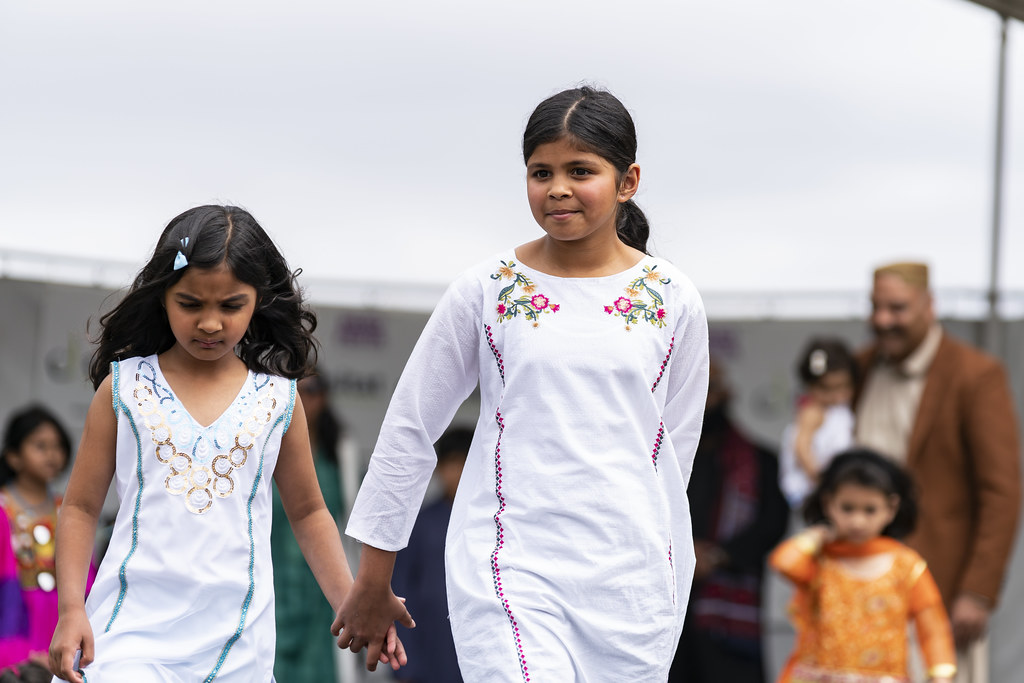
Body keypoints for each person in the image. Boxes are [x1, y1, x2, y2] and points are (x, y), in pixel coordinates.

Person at [334, 86, 710, 680]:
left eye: (579, 170)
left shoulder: (671, 299)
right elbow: (411, 426)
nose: (557, 187)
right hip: (511, 567)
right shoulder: (488, 290)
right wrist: (374, 579)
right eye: (542, 172)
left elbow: (673, 453)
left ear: (628, 179)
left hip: (632, 582)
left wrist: (661, 565)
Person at [46, 205, 405, 682]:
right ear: (162, 297)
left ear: (258, 300)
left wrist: (351, 600)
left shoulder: (279, 399)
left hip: (237, 643)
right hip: (130, 631)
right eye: (190, 304)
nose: (210, 323)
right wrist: (71, 608)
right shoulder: (124, 387)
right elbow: (80, 509)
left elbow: (309, 513)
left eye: (230, 305)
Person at [854, 262, 1020, 682]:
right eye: (876, 307)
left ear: (930, 306)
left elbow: (1002, 491)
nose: (882, 320)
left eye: (897, 308)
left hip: (936, 587)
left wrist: (977, 592)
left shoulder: (974, 375)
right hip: (856, 589)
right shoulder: (860, 368)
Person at [771, 448, 956, 683]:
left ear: (891, 509)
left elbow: (933, 629)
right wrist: (816, 536)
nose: (858, 521)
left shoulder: (906, 565)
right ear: (829, 503)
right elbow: (783, 563)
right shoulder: (820, 559)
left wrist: (941, 674)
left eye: (870, 510)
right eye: (847, 508)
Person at [669, 360, 787, 683]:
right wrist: (681, 552)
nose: (704, 399)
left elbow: (771, 525)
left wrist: (715, 556)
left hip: (729, 614)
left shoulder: (760, 462)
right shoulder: (658, 460)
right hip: (669, 599)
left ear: (727, 393)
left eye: (711, 389)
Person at [270, 372, 345, 683]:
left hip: (317, 589)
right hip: (272, 582)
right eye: (297, 389)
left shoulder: (341, 455)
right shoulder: (263, 446)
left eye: (312, 390)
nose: (304, 396)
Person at [0, 407, 82, 671]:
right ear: (13, 457)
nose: (52, 455)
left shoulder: (69, 509)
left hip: (61, 620)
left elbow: (85, 574)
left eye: (57, 446)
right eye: (40, 446)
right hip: (12, 621)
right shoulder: (4, 508)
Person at [391, 427, 472, 683]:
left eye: (464, 464)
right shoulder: (421, 522)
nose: (457, 474)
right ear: (439, 469)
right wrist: (406, 666)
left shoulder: (493, 523)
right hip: (429, 645)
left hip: (475, 640)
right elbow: (401, 590)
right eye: (451, 464)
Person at [778, 337, 856, 509]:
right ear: (809, 386)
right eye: (826, 389)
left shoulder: (841, 411)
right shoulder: (813, 412)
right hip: (817, 493)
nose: (838, 395)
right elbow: (802, 447)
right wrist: (823, 481)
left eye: (844, 386)